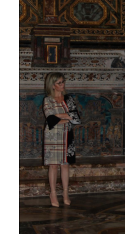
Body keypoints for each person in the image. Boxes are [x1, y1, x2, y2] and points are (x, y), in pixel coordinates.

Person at [43, 72, 81, 207]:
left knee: (65, 165)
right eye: (59, 83)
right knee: (53, 165)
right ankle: (53, 193)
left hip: (66, 135)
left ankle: (65, 193)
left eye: (63, 81)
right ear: (53, 85)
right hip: (52, 136)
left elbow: (76, 117)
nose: (62, 84)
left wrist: (58, 116)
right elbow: (50, 119)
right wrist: (66, 116)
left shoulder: (69, 99)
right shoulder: (48, 100)